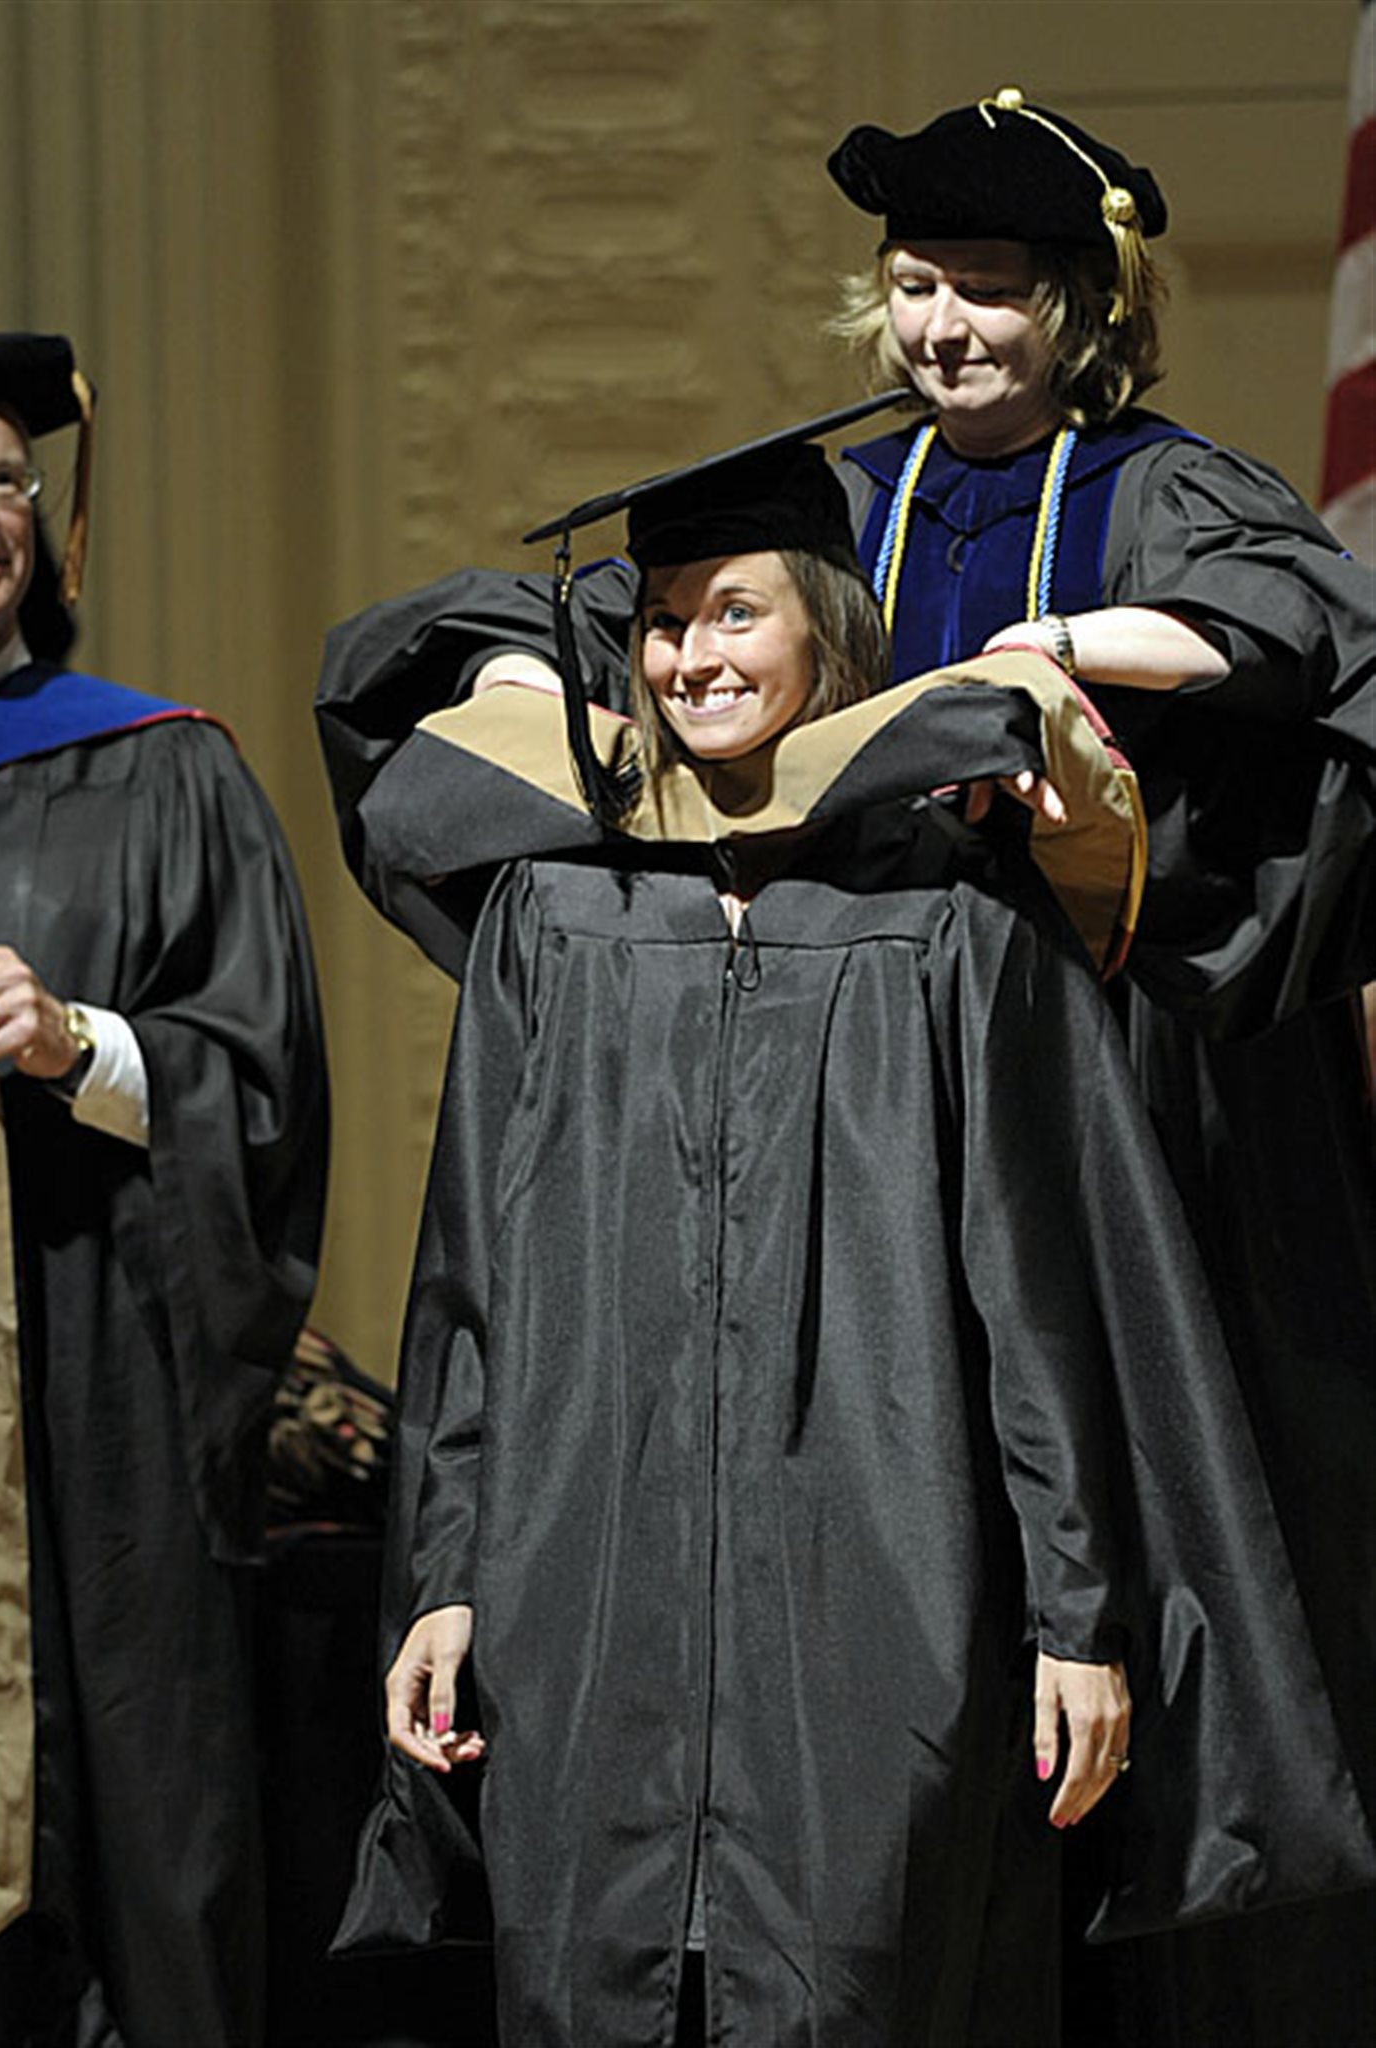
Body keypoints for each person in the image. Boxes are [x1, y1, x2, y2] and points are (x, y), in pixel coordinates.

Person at [319, 93, 1376, 2044]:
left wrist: (1059, 661)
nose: (948, 328)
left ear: (1082, 306)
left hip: (1078, 1088)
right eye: (915, 289)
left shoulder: (1156, 489)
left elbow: (1302, 648)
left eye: (992, 291)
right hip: (823, 1105)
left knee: (1105, 1556)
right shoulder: (835, 504)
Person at [0, 332, 329, 2048]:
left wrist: (79, 1047)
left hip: (95, 1398)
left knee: (144, 1835)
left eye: (9, 481)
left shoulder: (164, 766)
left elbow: (265, 1078)